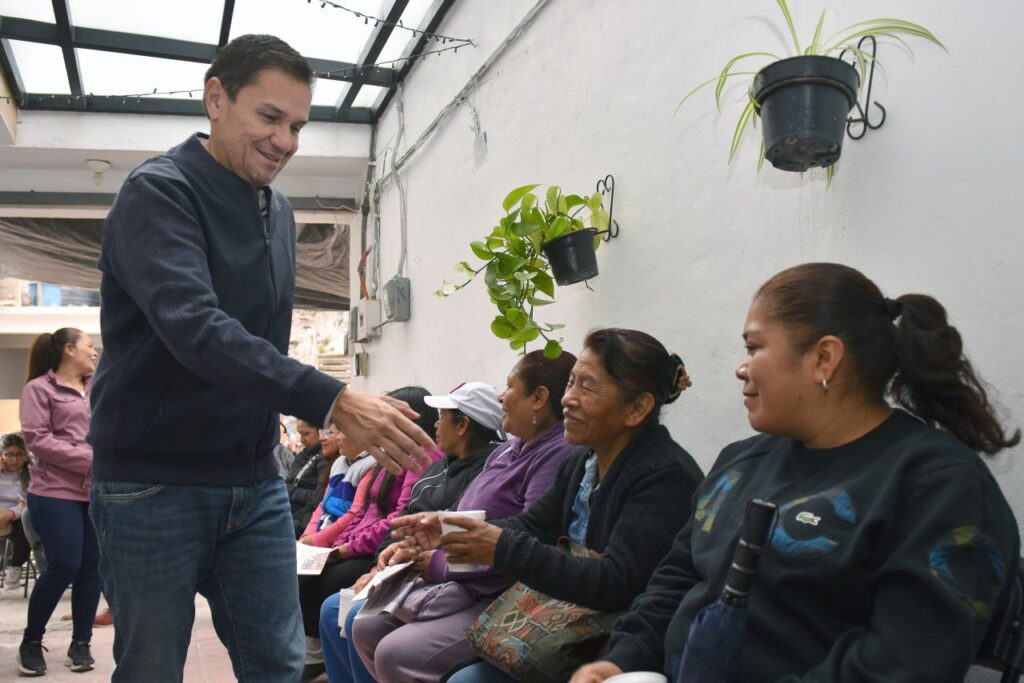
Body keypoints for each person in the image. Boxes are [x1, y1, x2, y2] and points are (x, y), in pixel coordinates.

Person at [86, 34, 435, 682]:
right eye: (270, 117)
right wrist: (331, 397)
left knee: (276, 662)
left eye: (298, 125)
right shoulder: (157, 193)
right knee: (151, 667)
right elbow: (195, 328)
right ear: (216, 98)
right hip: (151, 483)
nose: (286, 140)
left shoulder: (279, 211)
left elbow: (259, 344)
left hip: (254, 481)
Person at [572, 263, 1022, 683]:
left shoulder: (937, 485)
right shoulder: (740, 462)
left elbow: (905, 663)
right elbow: (680, 577)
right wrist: (621, 659)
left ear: (824, 358)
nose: (740, 366)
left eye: (754, 346)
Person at [383, 333, 705, 683]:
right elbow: (534, 525)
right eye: (571, 382)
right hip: (564, 627)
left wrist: (500, 547)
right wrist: (449, 531)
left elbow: (617, 582)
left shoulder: (662, 476)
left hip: (613, 646)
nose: (567, 399)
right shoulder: (583, 462)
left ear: (637, 408)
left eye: (588, 386)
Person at [352, 353, 603, 682]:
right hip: (460, 579)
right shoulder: (507, 450)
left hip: (497, 591)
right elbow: (470, 516)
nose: (502, 397)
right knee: (364, 625)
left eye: (510, 387)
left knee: (394, 652)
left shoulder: (558, 455)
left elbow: (533, 536)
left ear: (539, 399)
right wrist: (420, 542)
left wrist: (439, 559)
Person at [318, 395, 494, 683]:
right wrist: (378, 565)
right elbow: (393, 518)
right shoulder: (436, 467)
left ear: (463, 425)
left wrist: (354, 553)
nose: (437, 425)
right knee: (332, 608)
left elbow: (434, 527)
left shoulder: (467, 467)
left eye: (443, 418)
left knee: (352, 616)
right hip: (405, 565)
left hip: (435, 575)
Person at [298, 386, 446, 681]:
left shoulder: (421, 457)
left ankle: (319, 658)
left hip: (381, 550)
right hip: (372, 546)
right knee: (313, 584)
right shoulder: (384, 459)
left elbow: (399, 518)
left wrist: (344, 550)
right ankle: (322, 656)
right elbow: (359, 512)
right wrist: (328, 544)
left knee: (328, 590)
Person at [17, 328, 100, 675]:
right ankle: (31, 641)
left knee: (91, 569)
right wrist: (93, 459)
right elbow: (38, 440)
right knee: (63, 564)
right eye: (89, 346)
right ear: (68, 350)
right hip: (54, 492)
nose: (95, 352)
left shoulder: (97, 387)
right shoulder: (38, 390)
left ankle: (81, 643)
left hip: (95, 491)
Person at [300, 425, 375, 540]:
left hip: (341, 540)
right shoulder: (339, 463)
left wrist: (315, 540)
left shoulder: (371, 466)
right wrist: (307, 535)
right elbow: (322, 505)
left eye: (341, 432)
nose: (338, 437)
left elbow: (355, 514)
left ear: (361, 436)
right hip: (321, 535)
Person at [288, 419, 329, 537]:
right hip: (292, 512)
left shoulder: (324, 458)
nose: (301, 440)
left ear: (320, 432)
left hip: (304, 519)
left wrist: (291, 491)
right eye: (300, 434)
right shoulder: (302, 455)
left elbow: (318, 499)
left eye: (306, 434)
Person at [1, 433, 31, 590]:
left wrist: (10, 513)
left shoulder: (31, 472)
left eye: (20, 455)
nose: (14, 460)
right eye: (9, 455)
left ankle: (15, 566)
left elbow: (28, 503)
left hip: (18, 512)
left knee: (26, 520)